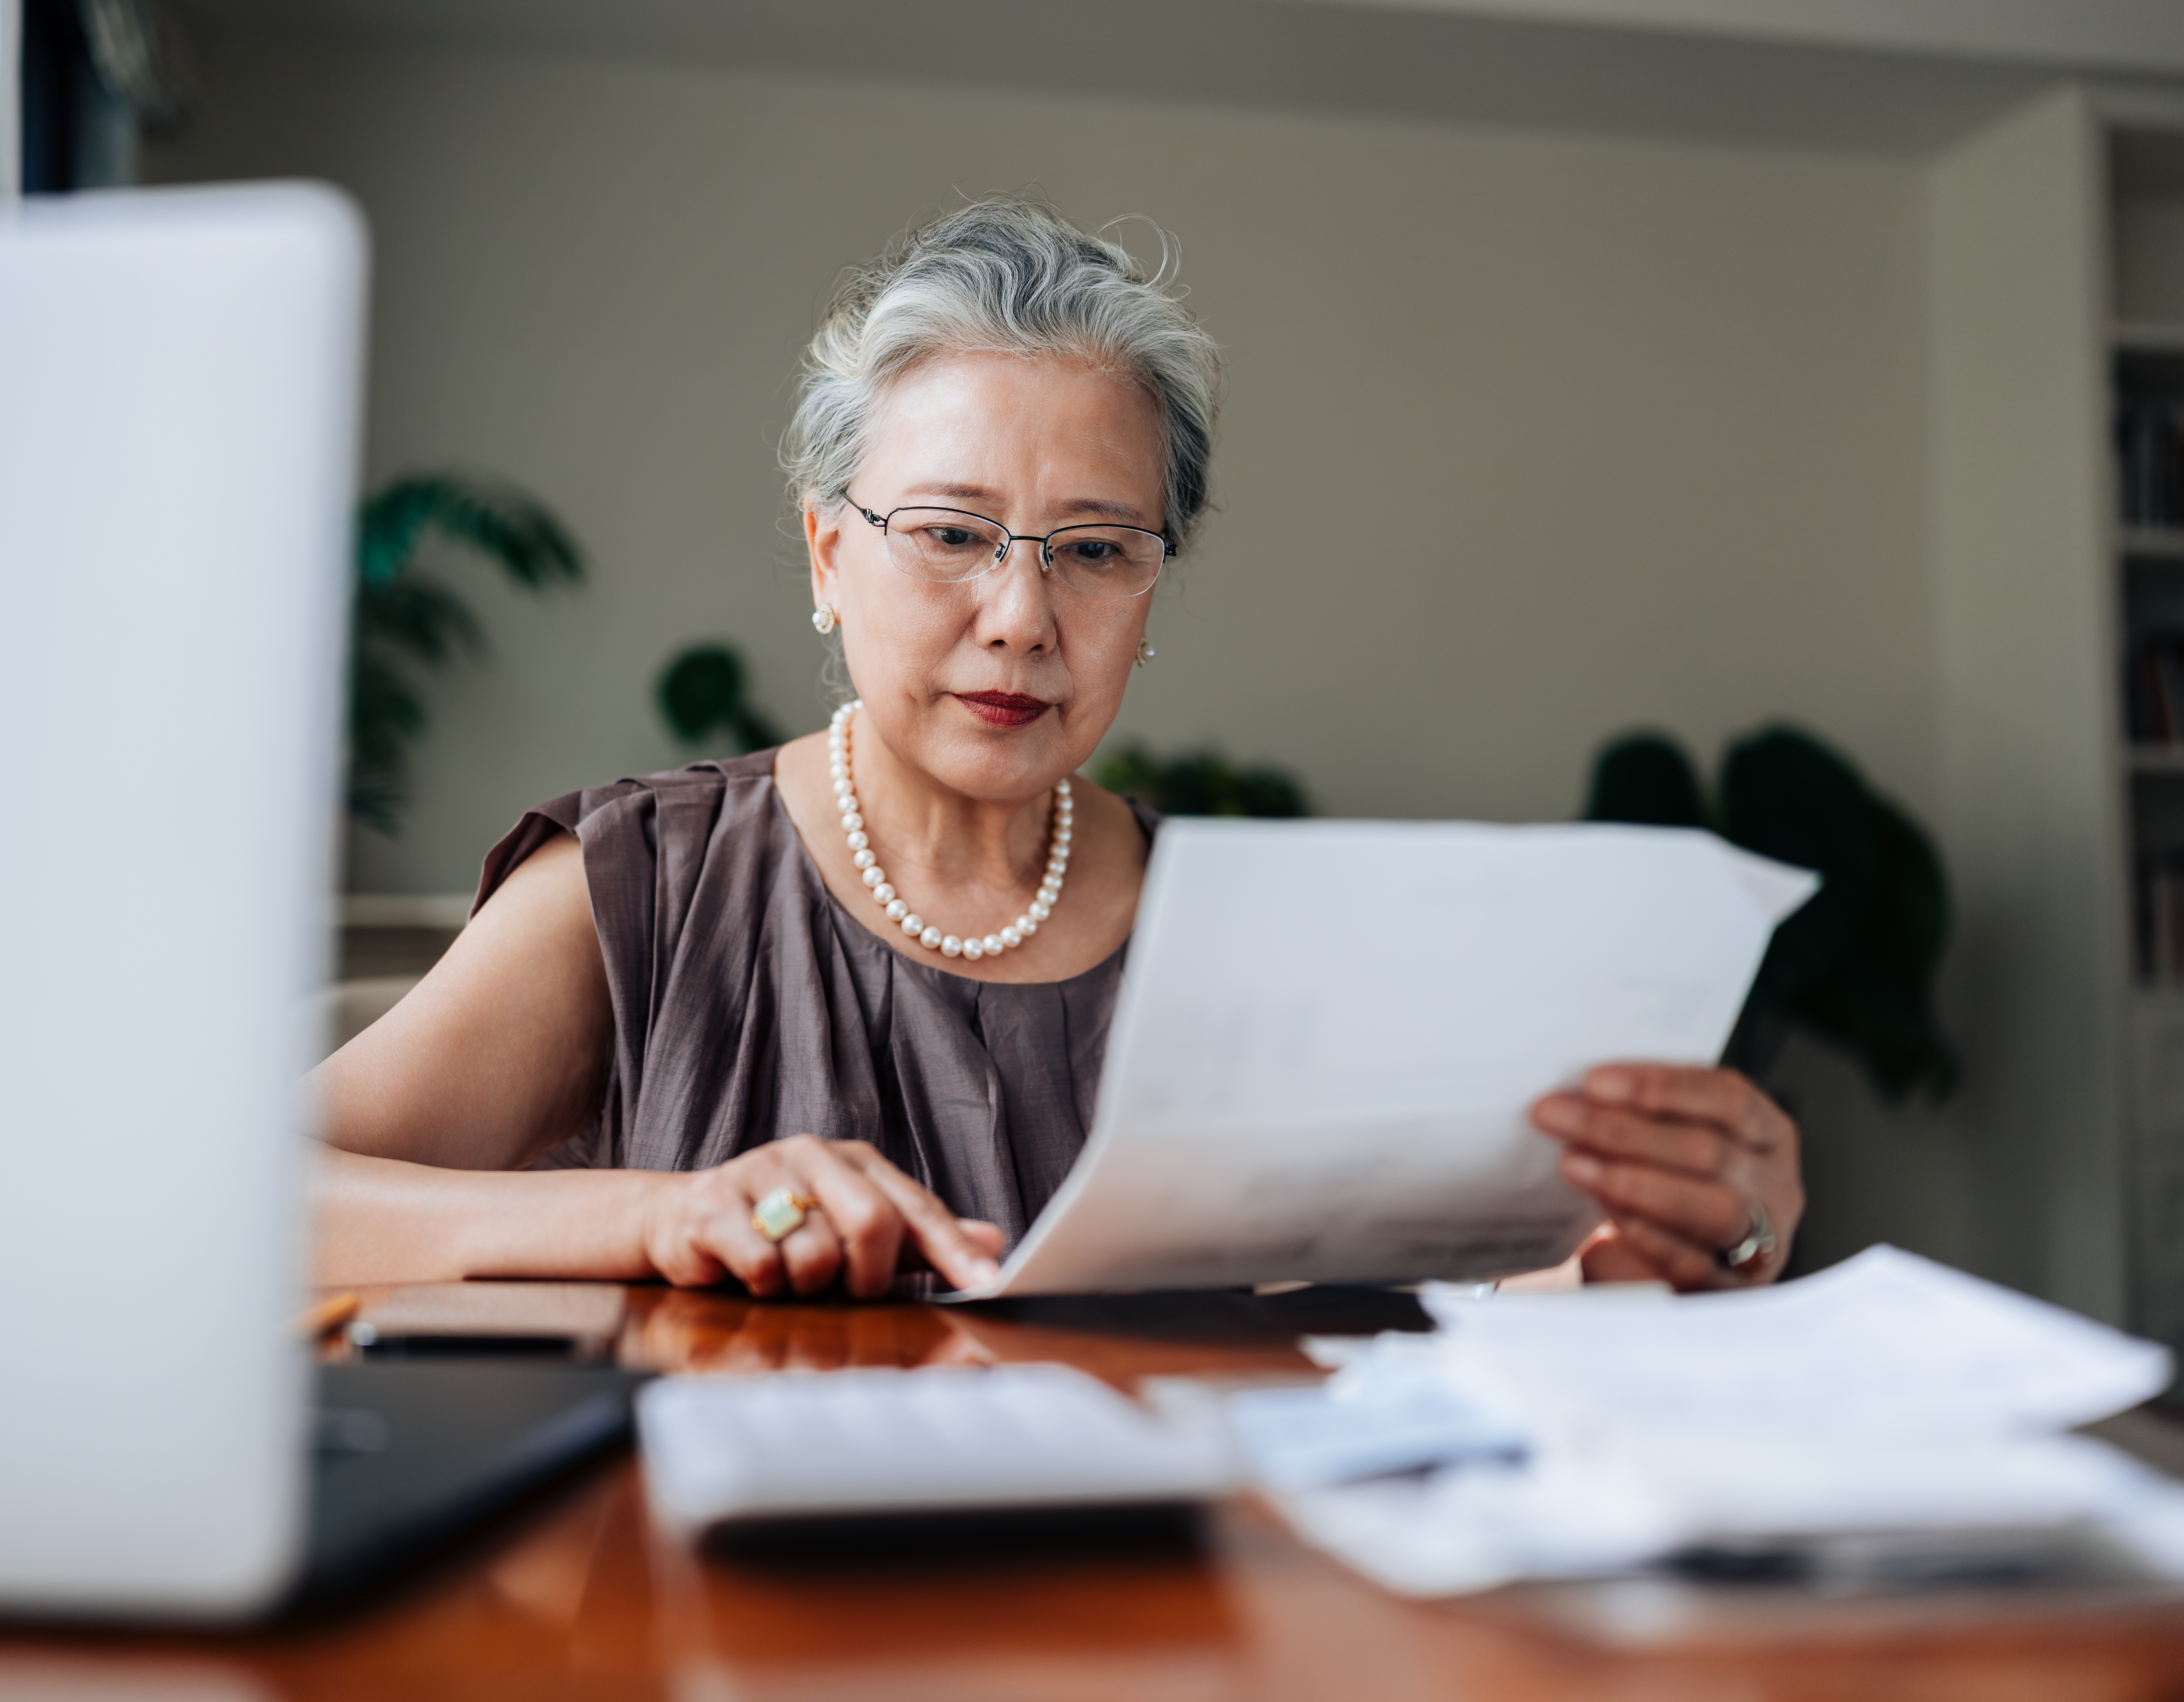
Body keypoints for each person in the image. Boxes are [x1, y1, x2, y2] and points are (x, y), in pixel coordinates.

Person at [310, 199, 1804, 1299]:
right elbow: (226, 1207)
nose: (1022, 617)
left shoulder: (1253, 931)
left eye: (1092, 551)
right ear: (828, 555)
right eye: (951, 535)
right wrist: (650, 1216)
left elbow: (1442, 1311)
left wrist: (1683, 1245)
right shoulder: (640, 884)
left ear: (1152, 585)